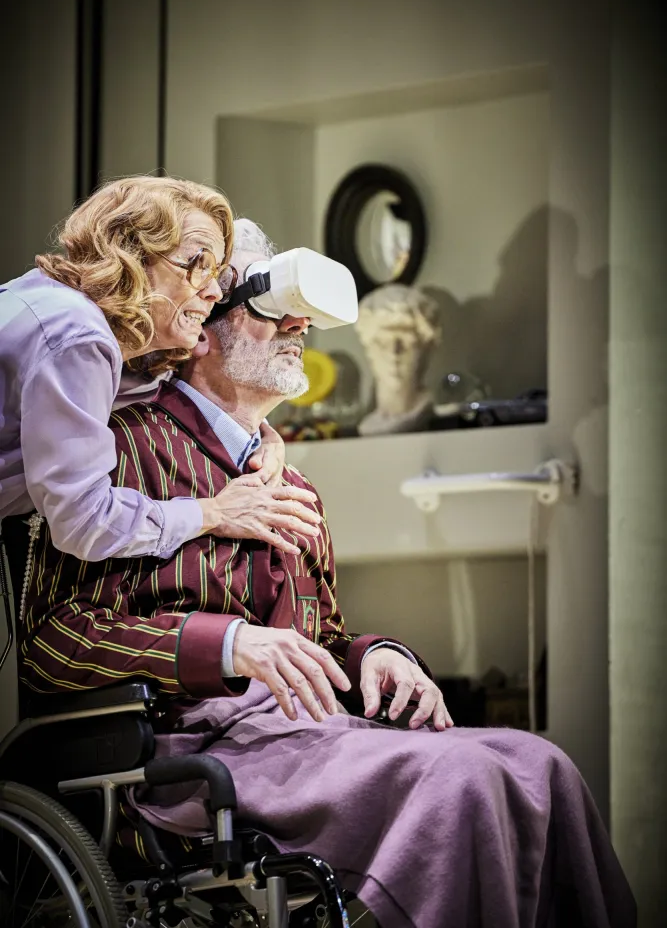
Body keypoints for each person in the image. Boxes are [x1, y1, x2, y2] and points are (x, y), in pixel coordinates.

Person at [19, 221, 635, 928]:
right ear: (202, 329)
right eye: (270, 306)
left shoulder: (293, 487)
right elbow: (53, 642)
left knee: (541, 768)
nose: (299, 324)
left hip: (307, 735)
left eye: (300, 311)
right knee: (460, 781)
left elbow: (321, 635)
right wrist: (229, 645)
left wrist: (375, 655)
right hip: (189, 754)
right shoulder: (123, 447)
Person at [0, 176, 320, 564]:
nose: (214, 292)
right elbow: (84, 522)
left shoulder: (72, 317)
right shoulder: (78, 337)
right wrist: (215, 513)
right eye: (198, 265)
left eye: (217, 273)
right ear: (132, 256)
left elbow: (153, 390)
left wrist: (261, 438)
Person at [355, 282, 440, 435]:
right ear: (369, 350)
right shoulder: (370, 424)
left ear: (425, 347)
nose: (394, 352)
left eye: (406, 341)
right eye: (383, 342)